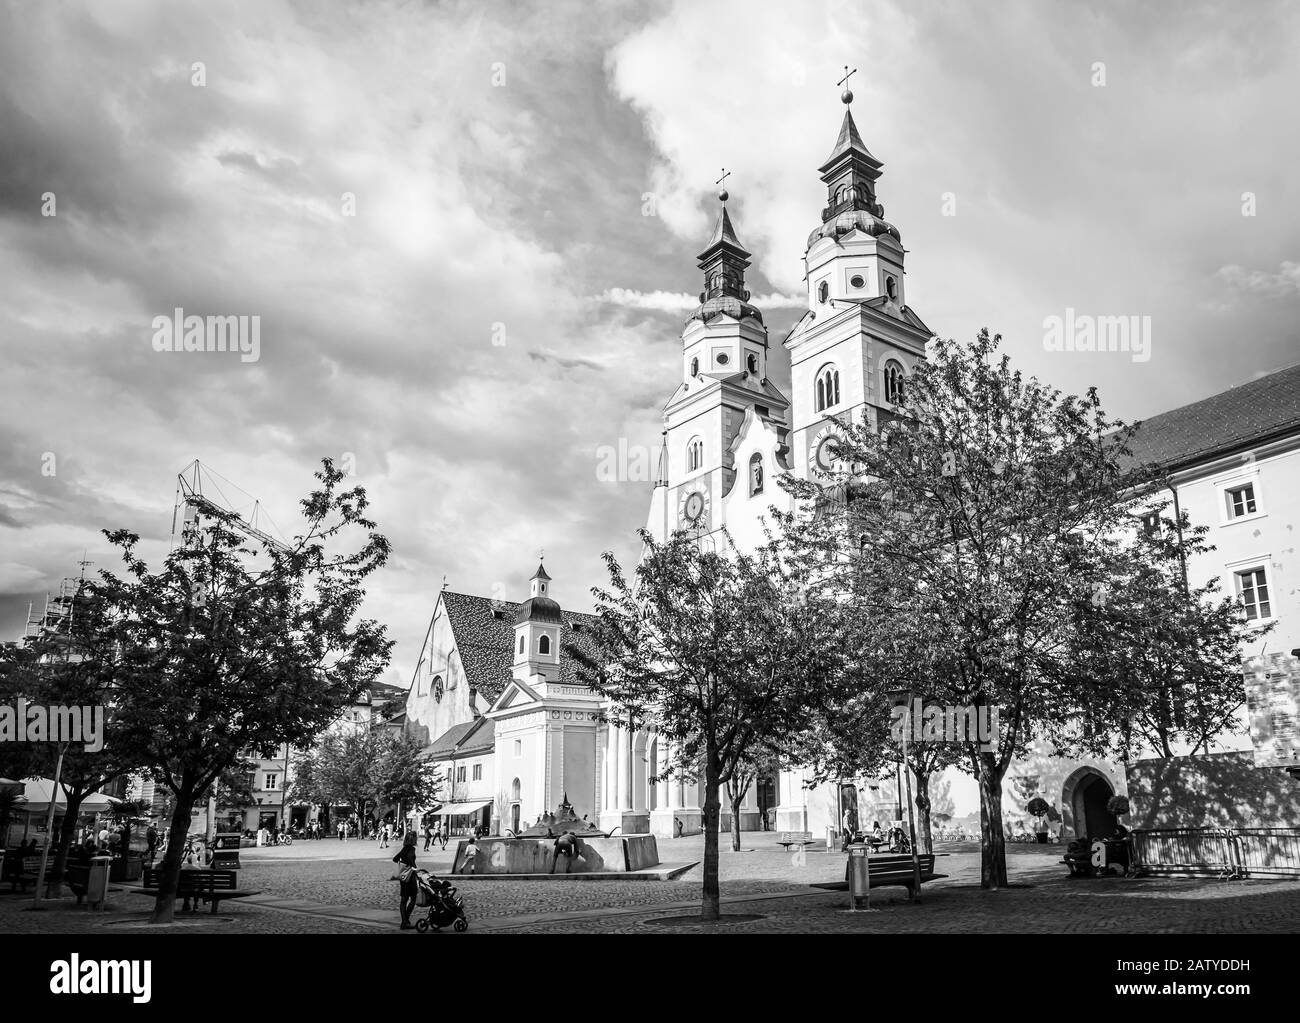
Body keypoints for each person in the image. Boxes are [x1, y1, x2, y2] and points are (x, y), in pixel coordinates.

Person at [391, 832, 418, 930]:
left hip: (403, 877)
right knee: (413, 898)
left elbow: (395, 859)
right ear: (413, 840)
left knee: (403, 900)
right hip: (410, 877)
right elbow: (411, 858)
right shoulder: (411, 849)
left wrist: (403, 864)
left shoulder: (404, 849)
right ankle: (405, 921)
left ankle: (404, 921)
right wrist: (414, 867)